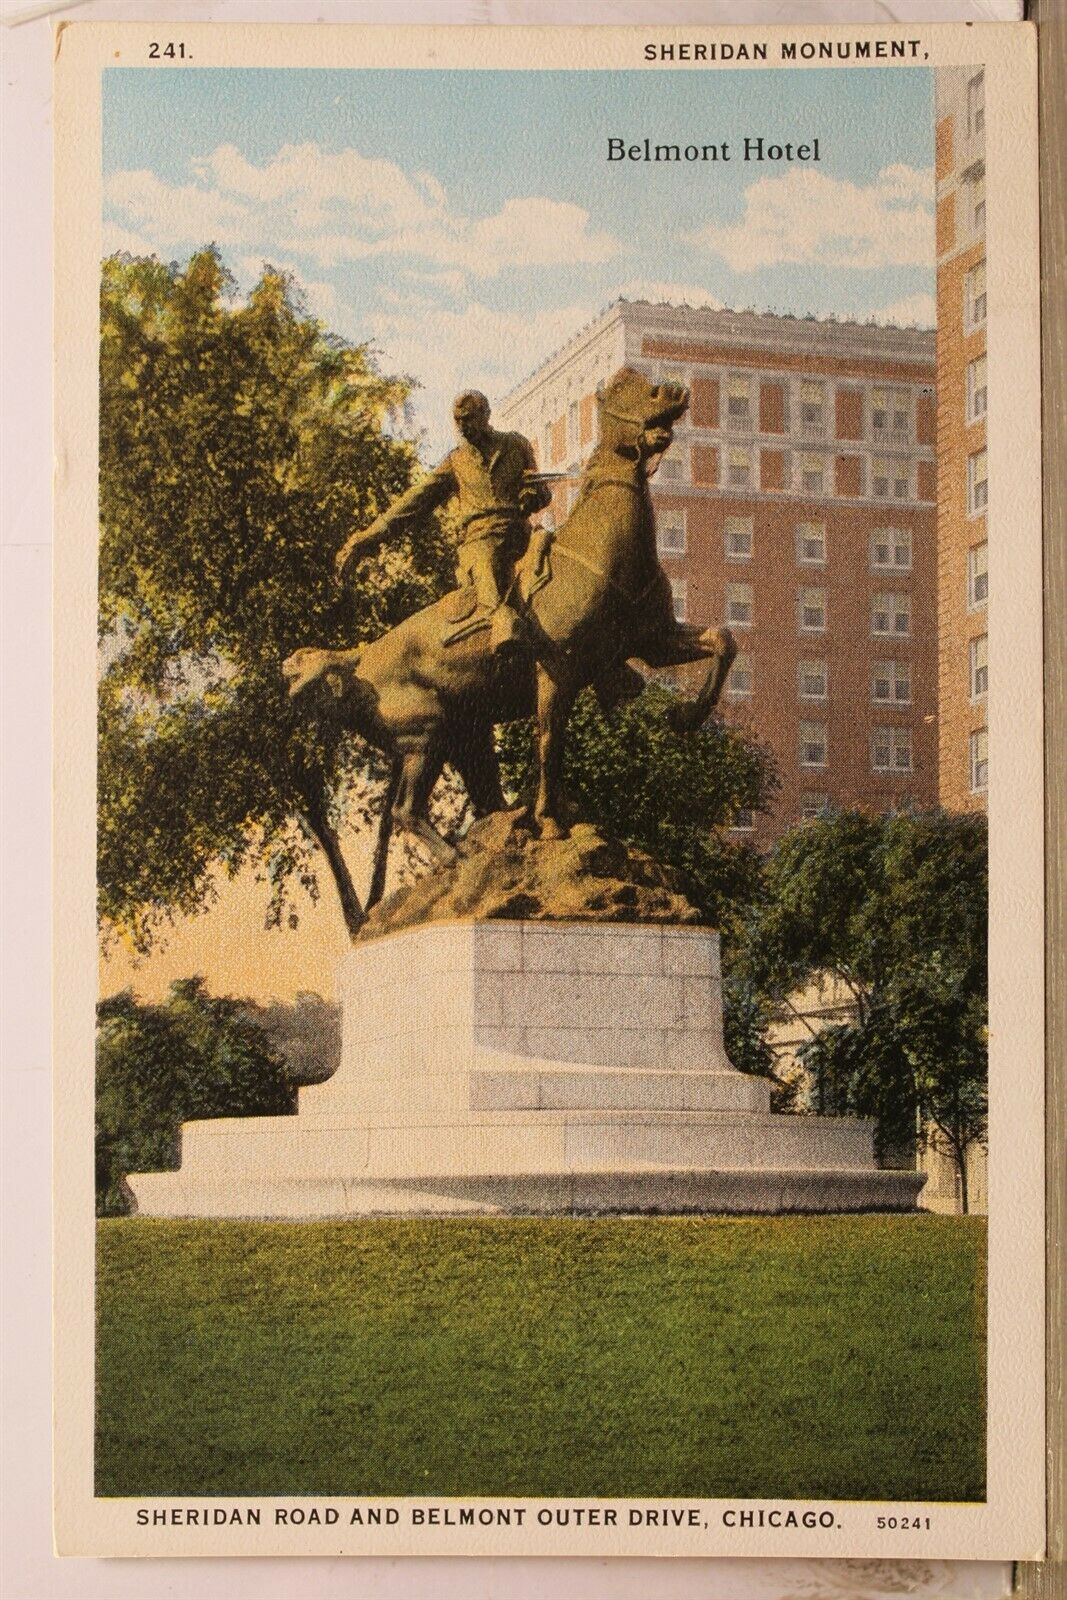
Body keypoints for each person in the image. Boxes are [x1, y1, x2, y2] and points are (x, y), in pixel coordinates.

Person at [335, 390, 553, 653]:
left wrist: (532, 494)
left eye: (469, 419)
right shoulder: (455, 462)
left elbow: (542, 493)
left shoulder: (516, 444)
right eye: (458, 420)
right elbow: (414, 502)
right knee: (487, 572)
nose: (462, 427)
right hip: (480, 540)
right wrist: (369, 536)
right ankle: (503, 630)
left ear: (486, 416)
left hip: (520, 533)